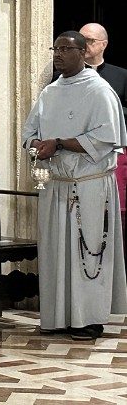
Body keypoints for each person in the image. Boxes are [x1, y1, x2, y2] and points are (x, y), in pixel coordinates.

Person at [22, 31, 127, 341]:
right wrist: (38, 144)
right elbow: (28, 133)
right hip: (55, 184)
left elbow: (106, 138)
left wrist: (60, 143)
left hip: (89, 185)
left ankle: (89, 320)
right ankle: (58, 317)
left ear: (83, 53)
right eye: (55, 49)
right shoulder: (49, 92)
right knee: (56, 250)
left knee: (89, 252)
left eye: (66, 49)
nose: (58, 54)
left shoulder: (99, 91)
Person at [79, 23, 127, 254]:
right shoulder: (65, 76)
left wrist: (107, 112)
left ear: (103, 44)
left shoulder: (120, 75)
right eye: (80, 40)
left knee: (116, 209)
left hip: (113, 151)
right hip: (79, 153)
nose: (83, 45)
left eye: (88, 40)